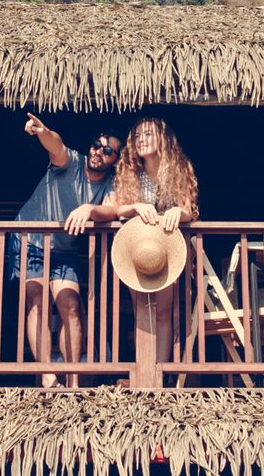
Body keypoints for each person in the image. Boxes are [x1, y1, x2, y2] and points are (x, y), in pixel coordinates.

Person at [75, 116, 199, 363]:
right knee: (141, 308)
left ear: (162, 139)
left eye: (149, 134)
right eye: (138, 136)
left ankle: (159, 372)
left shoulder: (178, 168)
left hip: (165, 247)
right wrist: (136, 207)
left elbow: (190, 210)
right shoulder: (130, 170)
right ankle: (144, 371)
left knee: (163, 311)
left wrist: (178, 212)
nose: (142, 140)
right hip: (137, 247)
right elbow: (119, 208)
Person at [13, 113, 121, 386]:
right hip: (31, 240)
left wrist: (89, 208)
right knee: (37, 300)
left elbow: (112, 208)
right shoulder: (72, 162)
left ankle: (73, 381)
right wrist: (42, 131)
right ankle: (49, 377)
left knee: (70, 305)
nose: (99, 152)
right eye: (97, 146)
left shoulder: (110, 184)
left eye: (108, 151)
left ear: (116, 159)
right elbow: (56, 146)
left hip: (64, 250)